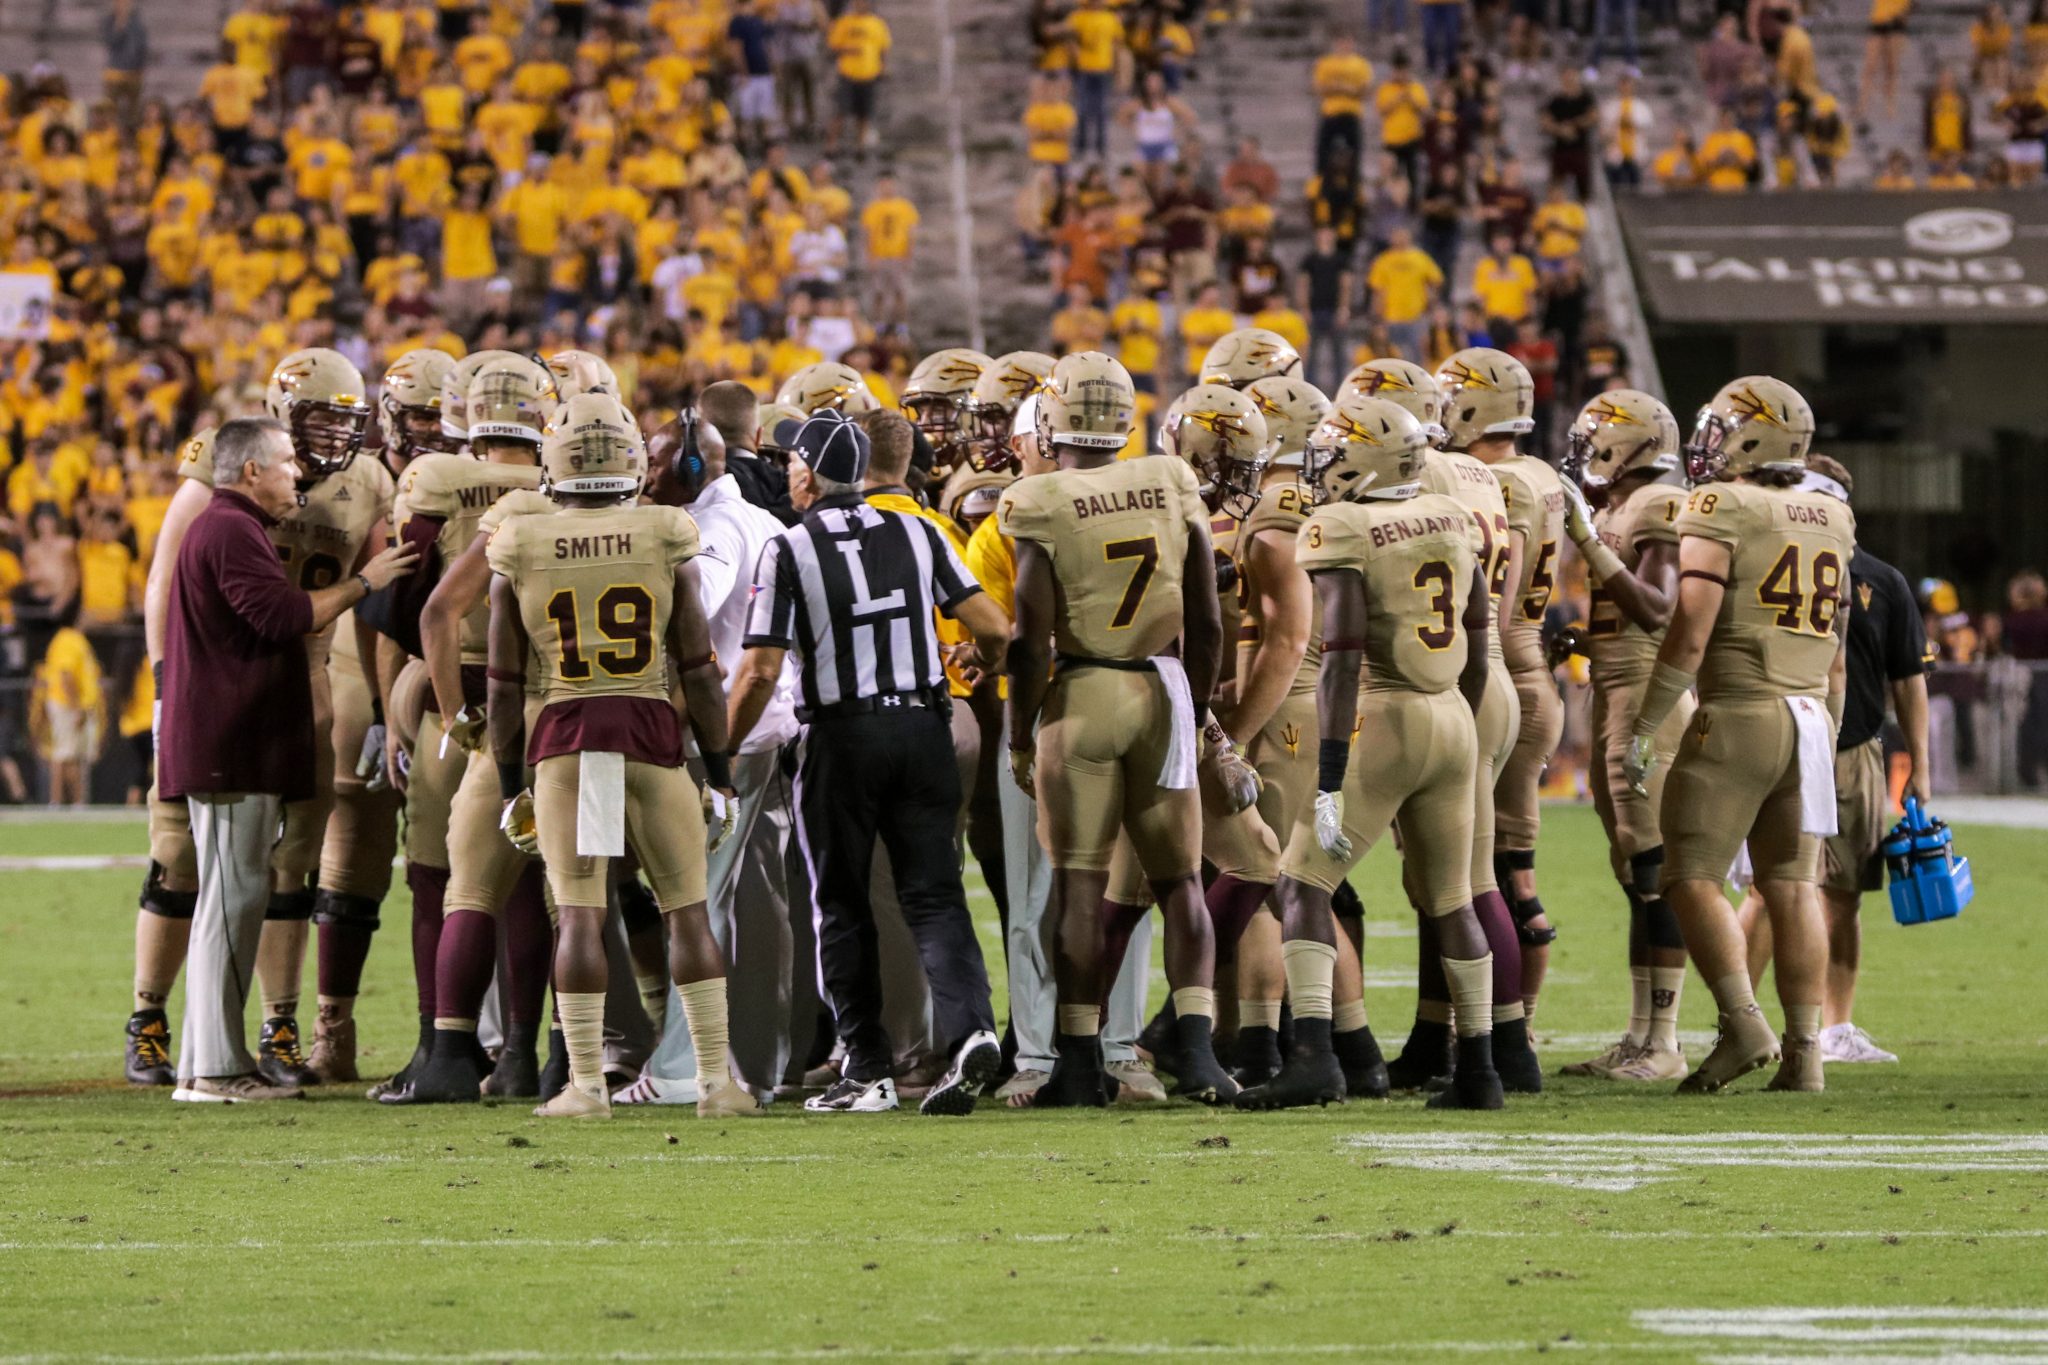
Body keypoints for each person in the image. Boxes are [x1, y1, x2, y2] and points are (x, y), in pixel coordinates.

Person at [729, 412, 1009, 1115]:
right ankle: (972, 1028)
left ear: (805, 473)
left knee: (842, 906)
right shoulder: (920, 531)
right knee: (936, 896)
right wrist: (982, 662)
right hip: (922, 726)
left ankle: (867, 1065)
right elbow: (996, 627)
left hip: (842, 735)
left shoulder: (790, 547)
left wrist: (717, 748)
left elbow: (760, 669)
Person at [484, 393, 753, 1120]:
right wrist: (721, 776)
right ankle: (714, 1084)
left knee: (578, 915)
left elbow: (504, 685)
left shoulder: (518, 540)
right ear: (631, 456)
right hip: (652, 734)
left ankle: (587, 1087)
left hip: (567, 743)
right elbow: (698, 669)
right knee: (687, 912)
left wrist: (511, 785)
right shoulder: (667, 530)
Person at [1235, 394, 1503, 1112]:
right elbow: (1480, 631)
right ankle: (1478, 1068)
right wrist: (1467, 729)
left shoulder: (1340, 524)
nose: (1321, 463)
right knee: (1451, 896)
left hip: (1386, 717)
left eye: (1334, 451)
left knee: (1300, 880)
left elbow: (1342, 658)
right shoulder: (1450, 514)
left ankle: (1315, 1055)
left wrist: (1327, 776)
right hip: (1450, 712)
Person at [998, 352, 1238, 1107]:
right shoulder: (1170, 480)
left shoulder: (1038, 497)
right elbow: (1206, 621)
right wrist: (1195, 712)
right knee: (1180, 882)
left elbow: (1027, 636)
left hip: (1084, 690)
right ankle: (1196, 1052)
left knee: (1077, 884)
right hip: (1161, 691)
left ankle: (1075, 1060)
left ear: (1052, 418)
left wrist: (1017, 731)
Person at [158, 417, 416, 1102]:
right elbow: (283, 616)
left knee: (231, 898)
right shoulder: (230, 527)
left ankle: (204, 1061)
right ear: (249, 471)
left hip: (230, 740)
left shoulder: (226, 525)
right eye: (281, 463)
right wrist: (366, 582)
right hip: (228, 743)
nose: (295, 474)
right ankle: (215, 1070)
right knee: (233, 899)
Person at [1624, 376, 1853, 1095]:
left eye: (1722, 430)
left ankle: (1743, 1022)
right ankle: (1806, 1054)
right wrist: (1829, 722)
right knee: (1792, 885)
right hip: (1810, 714)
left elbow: (1689, 629)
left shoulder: (1721, 504)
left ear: (1753, 438)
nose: (1710, 444)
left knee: (1687, 874)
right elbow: (1839, 641)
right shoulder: (1830, 513)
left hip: (1742, 708)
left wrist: (1646, 720)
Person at [1352, 358, 1534, 1092]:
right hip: (1476, 671)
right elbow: (1500, 598)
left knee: (1466, 882)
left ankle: (1510, 1044)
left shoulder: (1418, 477)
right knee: (1439, 876)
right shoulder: (1479, 476)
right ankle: (1436, 1035)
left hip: (1439, 679)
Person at [379, 354, 554, 1103]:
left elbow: (407, 606)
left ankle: (440, 1044)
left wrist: (434, 711)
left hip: (458, 693)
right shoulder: (560, 490)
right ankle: (526, 1050)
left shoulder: (435, 483)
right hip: (547, 700)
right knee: (535, 884)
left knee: (437, 879)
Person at [617, 409, 801, 1106]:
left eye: (657, 461)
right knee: (758, 905)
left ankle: (677, 1069)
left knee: (698, 900)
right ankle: (763, 1057)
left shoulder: (712, 530)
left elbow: (694, 608)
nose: (646, 472)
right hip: (767, 728)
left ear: (693, 467)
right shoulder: (763, 519)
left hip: (720, 735)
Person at [1736, 454, 1929, 1066]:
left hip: (1853, 749)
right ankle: (1737, 1017)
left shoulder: (1883, 580)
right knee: (1770, 889)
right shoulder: (1764, 559)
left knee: (1842, 895)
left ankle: (1835, 1029)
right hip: (1785, 738)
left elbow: (1909, 679)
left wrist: (1919, 763)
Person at [1555, 390, 1692, 1082]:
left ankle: (1666, 1040)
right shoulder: (1615, 508)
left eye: (1592, 441)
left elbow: (1659, 608)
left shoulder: (1658, 503)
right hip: (1613, 690)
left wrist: (1584, 539)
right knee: (1632, 874)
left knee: (1657, 874)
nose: (1582, 454)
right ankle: (1639, 1035)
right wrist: (1574, 637)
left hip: (1648, 702)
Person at [1437, 348, 1564, 1054]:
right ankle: (1500, 1026)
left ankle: (1512, 1027)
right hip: (1531, 663)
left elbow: (1495, 599)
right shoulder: (1541, 473)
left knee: (1493, 873)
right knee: (1500, 865)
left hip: (1499, 667)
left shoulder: (1493, 479)